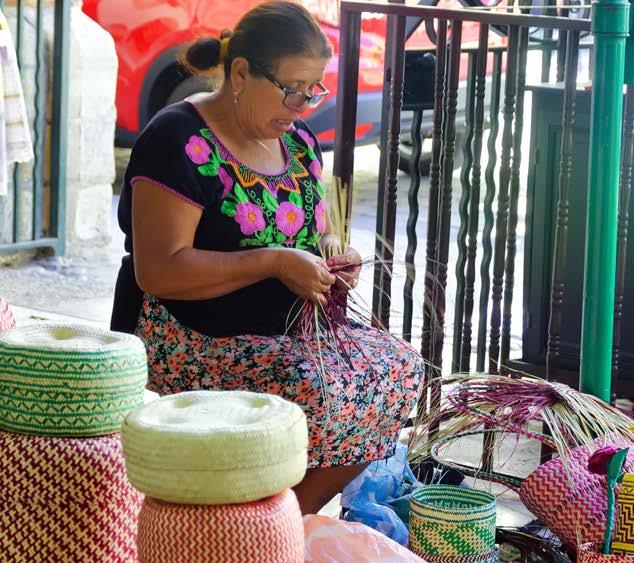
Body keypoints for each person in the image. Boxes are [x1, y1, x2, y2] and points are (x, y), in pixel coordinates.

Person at [111, 1, 423, 515]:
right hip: (185, 333)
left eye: (312, 90)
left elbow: (317, 232)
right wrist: (274, 262)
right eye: (291, 88)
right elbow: (159, 269)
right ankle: (256, 529)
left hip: (284, 330)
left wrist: (333, 256)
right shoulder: (179, 138)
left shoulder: (297, 142)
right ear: (240, 73)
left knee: (399, 369)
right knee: (314, 389)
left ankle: (281, 525)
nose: (302, 106)